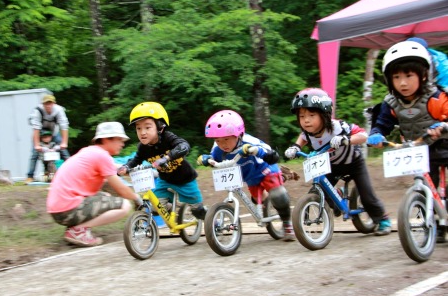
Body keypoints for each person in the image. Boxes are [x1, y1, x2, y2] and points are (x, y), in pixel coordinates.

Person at [367, 40, 448, 242]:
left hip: (444, 145)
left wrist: (442, 126)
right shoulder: (391, 103)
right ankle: (436, 224)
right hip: (420, 149)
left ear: (423, 75)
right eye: (397, 77)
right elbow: (383, 122)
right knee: (428, 187)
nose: (403, 83)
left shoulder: (436, 98)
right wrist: (377, 133)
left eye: (409, 76)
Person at [285, 88, 391, 236]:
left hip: (354, 164)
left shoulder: (338, 127)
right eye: (302, 116)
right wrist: (295, 147)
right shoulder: (308, 132)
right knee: (318, 191)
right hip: (332, 166)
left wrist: (346, 139)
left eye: (311, 115)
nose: (306, 120)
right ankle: (337, 197)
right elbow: (303, 137)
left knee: (367, 196)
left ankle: (383, 220)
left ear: (325, 115)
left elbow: (363, 135)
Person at [196, 110, 295, 241]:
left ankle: (287, 223)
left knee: (277, 194)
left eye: (226, 139)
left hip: (264, 168)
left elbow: (271, 155)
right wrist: (206, 159)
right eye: (218, 140)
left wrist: (255, 151)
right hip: (249, 175)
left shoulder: (249, 141)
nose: (223, 144)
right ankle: (267, 203)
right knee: (257, 198)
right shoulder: (217, 147)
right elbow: (214, 158)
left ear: (239, 134)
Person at [46, 122, 142, 247]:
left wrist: (140, 170)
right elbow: (121, 190)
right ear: (107, 139)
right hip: (66, 210)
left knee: (105, 196)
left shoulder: (91, 152)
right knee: (124, 206)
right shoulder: (102, 156)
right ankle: (78, 230)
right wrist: (137, 198)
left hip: (58, 209)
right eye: (120, 139)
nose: (123, 143)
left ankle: (76, 227)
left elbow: (118, 169)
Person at [117, 102, 207, 220]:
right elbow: (136, 160)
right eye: (138, 128)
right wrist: (126, 167)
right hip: (165, 181)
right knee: (155, 209)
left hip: (185, 179)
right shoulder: (143, 147)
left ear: (160, 126)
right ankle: (172, 208)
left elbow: (184, 146)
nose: (142, 132)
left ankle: (213, 221)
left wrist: (166, 158)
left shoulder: (168, 138)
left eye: (147, 127)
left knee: (198, 211)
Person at [26, 94, 70, 183]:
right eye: (46, 104)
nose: (48, 106)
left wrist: (64, 142)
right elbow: (36, 127)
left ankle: (73, 173)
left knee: (65, 153)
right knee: (34, 155)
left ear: (54, 103)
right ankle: (30, 176)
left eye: (50, 103)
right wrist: (37, 145)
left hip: (54, 133)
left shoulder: (59, 110)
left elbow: (64, 126)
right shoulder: (37, 111)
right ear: (43, 104)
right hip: (40, 133)